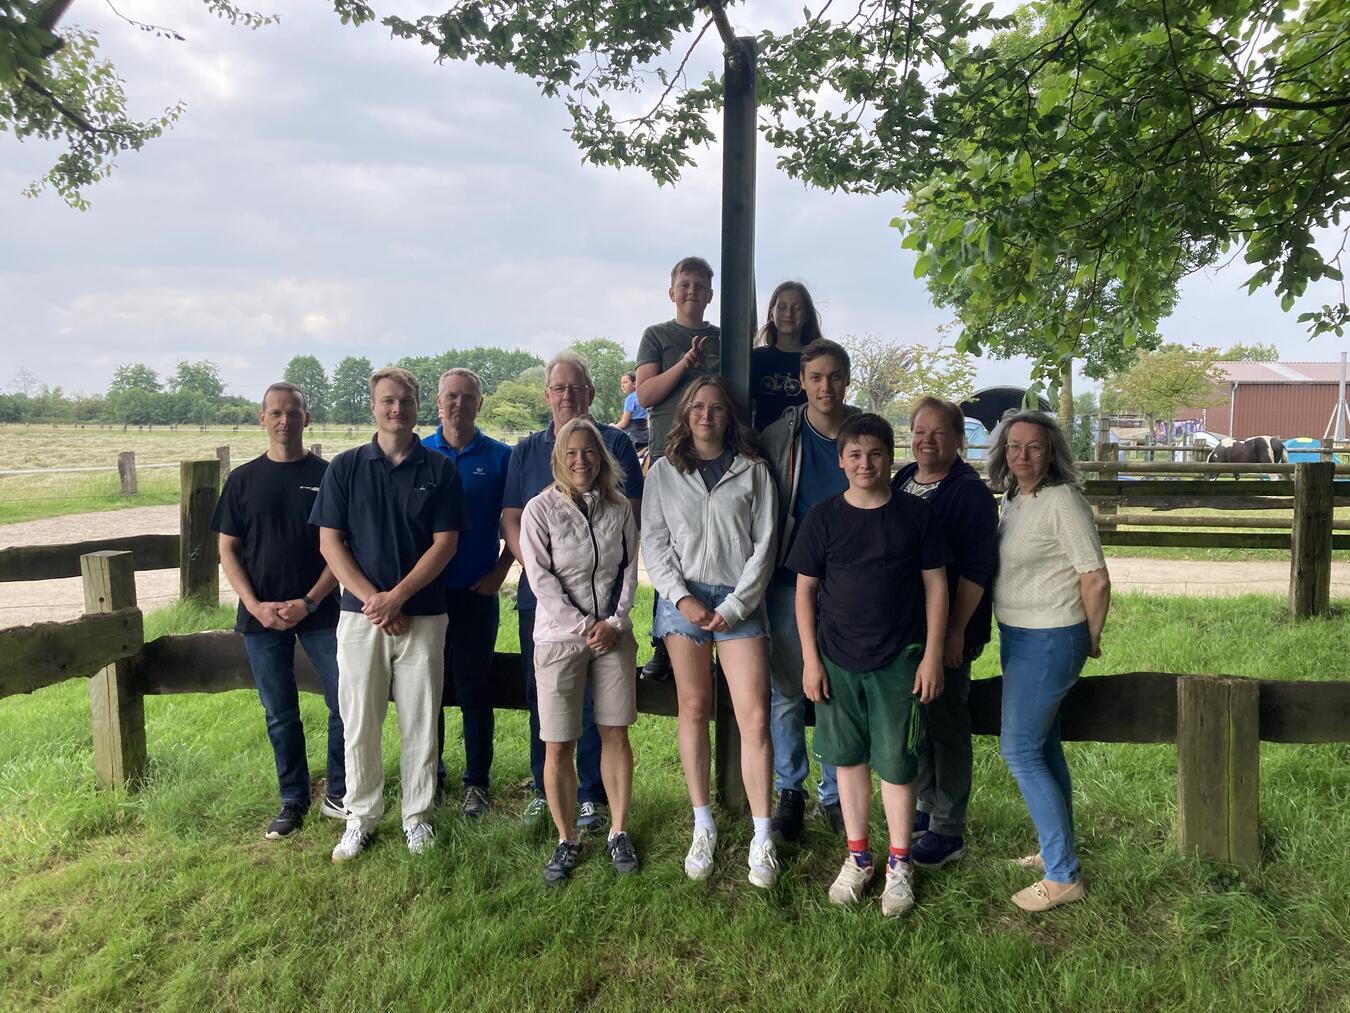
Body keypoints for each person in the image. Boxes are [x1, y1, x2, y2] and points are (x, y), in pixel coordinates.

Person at [789, 413, 950, 917]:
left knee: (897, 764)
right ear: (841, 461)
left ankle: (899, 863)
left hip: (898, 660)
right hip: (836, 660)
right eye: (855, 455)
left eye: (875, 454)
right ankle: (859, 857)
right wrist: (810, 660)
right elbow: (805, 592)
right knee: (847, 759)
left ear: (890, 458)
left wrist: (932, 655)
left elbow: (936, 587)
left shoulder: (915, 515)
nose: (865, 463)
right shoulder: (823, 517)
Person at [311, 365, 469, 862]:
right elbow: (330, 543)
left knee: (421, 720)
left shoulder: (439, 470)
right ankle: (360, 817)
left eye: (405, 400)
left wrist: (397, 597)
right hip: (360, 618)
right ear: (373, 406)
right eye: (387, 401)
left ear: (418, 405)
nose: (397, 408)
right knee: (359, 719)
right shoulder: (345, 467)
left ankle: (417, 817)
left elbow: (445, 544)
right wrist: (375, 601)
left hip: (423, 616)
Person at [642, 376, 779, 888]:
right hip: (683, 601)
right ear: (685, 414)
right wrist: (682, 600)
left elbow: (765, 544)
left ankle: (762, 834)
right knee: (694, 708)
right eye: (697, 407)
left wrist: (736, 605)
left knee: (754, 714)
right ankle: (703, 824)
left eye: (716, 408)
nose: (706, 415)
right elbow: (655, 542)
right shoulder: (664, 471)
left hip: (740, 599)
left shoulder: (754, 470)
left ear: (729, 416)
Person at [501, 351, 644, 832]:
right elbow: (511, 519)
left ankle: (592, 796)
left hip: (606, 608)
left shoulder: (617, 443)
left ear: (591, 393)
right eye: (559, 388)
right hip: (545, 606)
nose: (567, 396)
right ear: (547, 395)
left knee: (602, 708)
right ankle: (544, 792)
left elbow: (629, 521)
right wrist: (545, 575)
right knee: (545, 701)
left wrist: (610, 618)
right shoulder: (526, 451)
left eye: (576, 388)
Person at [986, 410, 1111, 912]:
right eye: (1014, 446)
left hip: (1051, 636)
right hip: (1018, 634)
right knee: (1044, 747)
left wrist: (1090, 636)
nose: (1022, 455)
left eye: (1034, 446)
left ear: (1051, 452)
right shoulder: (1015, 498)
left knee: (1019, 751)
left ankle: (1063, 876)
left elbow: (1095, 577)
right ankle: (1055, 849)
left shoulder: (1063, 500)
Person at [212, 382, 346, 840]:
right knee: (280, 712)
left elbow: (340, 549)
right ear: (262, 418)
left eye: (293, 412)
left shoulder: (329, 476)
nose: (285, 420)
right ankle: (293, 798)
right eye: (276, 412)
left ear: (307, 418)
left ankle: (339, 792)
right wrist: (254, 605)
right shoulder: (242, 480)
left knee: (343, 702)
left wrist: (310, 601)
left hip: (321, 611)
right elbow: (227, 549)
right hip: (261, 615)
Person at [519, 418, 641, 884]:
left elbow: (629, 568)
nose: (580, 460)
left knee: (615, 732)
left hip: (612, 635)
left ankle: (618, 831)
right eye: (571, 452)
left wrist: (614, 622)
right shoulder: (539, 510)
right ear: (558, 458)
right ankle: (566, 837)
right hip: (558, 638)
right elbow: (540, 578)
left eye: (589, 451)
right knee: (558, 742)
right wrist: (584, 625)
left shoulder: (619, 508)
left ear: (601, 456)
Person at [890, 396, 999, 868]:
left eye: (939, 433)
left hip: (950, 631)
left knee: (948, 727)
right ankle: (927, 804)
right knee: (920, 721)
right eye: (920, 431)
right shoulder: (902, 479)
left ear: (959, 439)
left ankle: (948, 829)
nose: (927, 441)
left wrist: (954, 633)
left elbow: (977, 570)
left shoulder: (968, 493)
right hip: (907, 629)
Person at [759, 338, 857, 839]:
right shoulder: (780, 435)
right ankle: (790, 790)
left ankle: (835, 792)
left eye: (834, 376)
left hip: (846, 583)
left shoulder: (861, 433)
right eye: (816, 377)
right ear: (801, 382)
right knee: (787, 689)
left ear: (847, 380)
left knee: (837, 686)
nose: (826, 386)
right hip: (787, 577)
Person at [422, 367, 513, 819]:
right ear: (438, 402)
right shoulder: (419, 453)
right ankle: (432, 776)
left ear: (480, 402)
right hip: (427, 596)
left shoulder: (500, 458)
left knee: (476, 688)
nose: (459, 404)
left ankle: (477, 783)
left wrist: (501, 570)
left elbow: (518, 522)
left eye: (468, 396)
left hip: (477, 593)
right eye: (451, 396)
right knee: (428, 690)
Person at [634, 255, 721, 682]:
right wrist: (685, 363)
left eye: (699, 286)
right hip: (671, 457)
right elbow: (646, 394)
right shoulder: (657, 335)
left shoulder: (723, 338)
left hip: (717, 455)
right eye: (684, 285)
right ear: (672, 293)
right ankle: (664, 642)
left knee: (712, 544)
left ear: (710, 295)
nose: (691, 292)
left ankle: (719, 635)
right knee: (666, 548)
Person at [750, 281, 822, 431]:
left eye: (797, 308)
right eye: (782, 307)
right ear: (772, 314)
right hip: (764, 442)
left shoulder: (817, 361)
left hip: (805, 440)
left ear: (807, 316)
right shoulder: (757, 358)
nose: (789, 314)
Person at [616, 371, 649, 462]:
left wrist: (612, 426)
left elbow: (624, 423)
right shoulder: (643, 396)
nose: (622, 385)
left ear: (634, 384)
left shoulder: (630, 399)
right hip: (645, 435)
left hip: (634, 436)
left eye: (625, 382)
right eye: (621, 383)